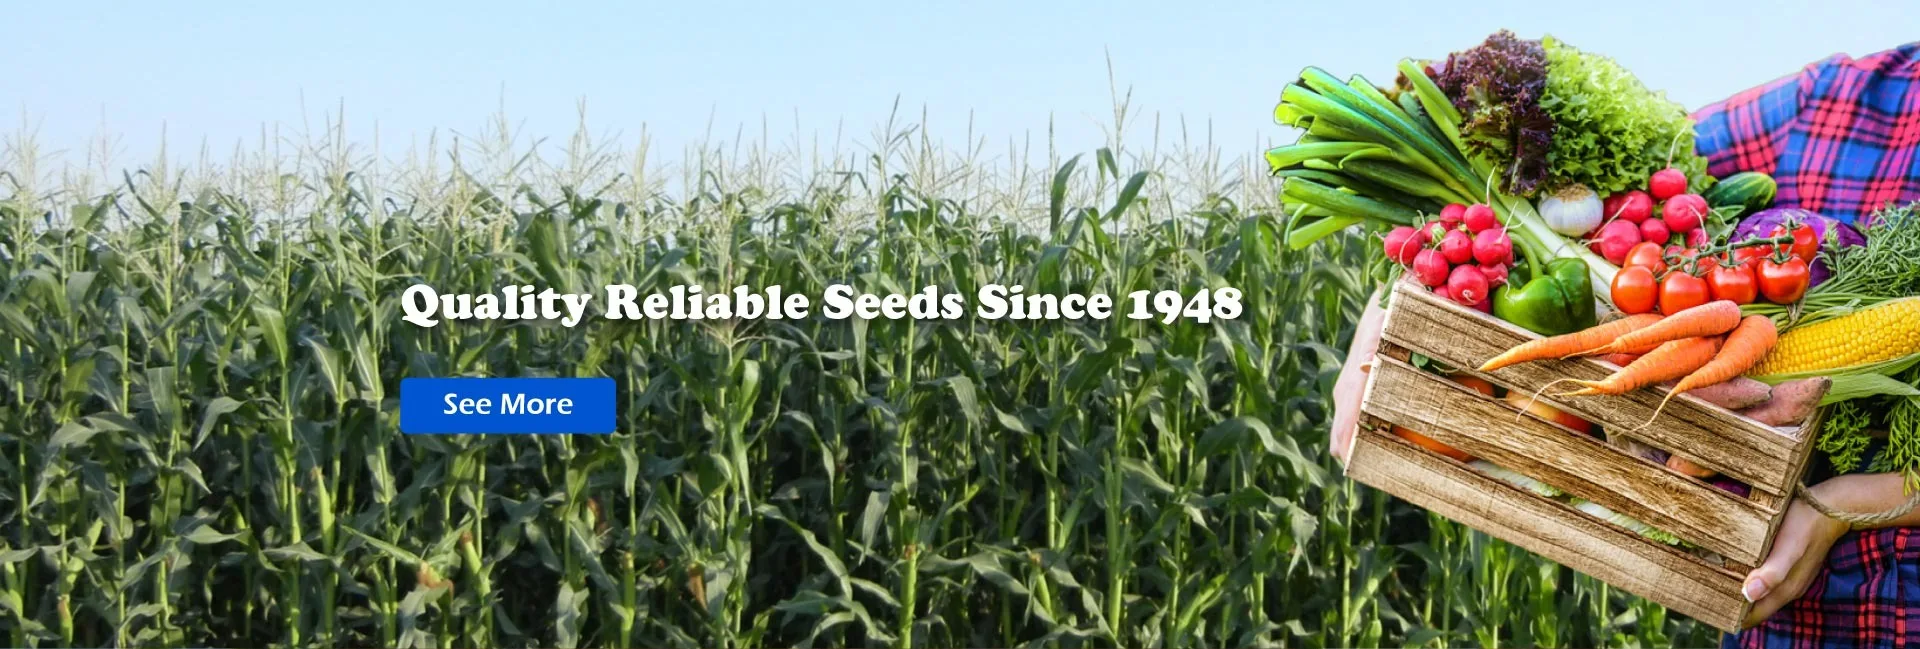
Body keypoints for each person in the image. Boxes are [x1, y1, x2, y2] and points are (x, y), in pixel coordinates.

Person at [1327, 42, 1920, 648]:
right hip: (1792, 626)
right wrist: (1375, 330)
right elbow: (1650, 164)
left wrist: (1844, 504)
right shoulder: (1838, 99)